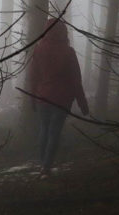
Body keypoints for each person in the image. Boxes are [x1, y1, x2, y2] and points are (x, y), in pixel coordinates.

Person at [25, 17, 89, 177]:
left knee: (44, 130)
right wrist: (83, 103)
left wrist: (33, 98)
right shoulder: (68, 52)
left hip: (42, 98)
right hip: (61, 100)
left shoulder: (39, 49)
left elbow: (33, 77)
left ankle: (43, 165)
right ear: (63, 32)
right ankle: (46, 166)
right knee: (54, 132)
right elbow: (76, 80)